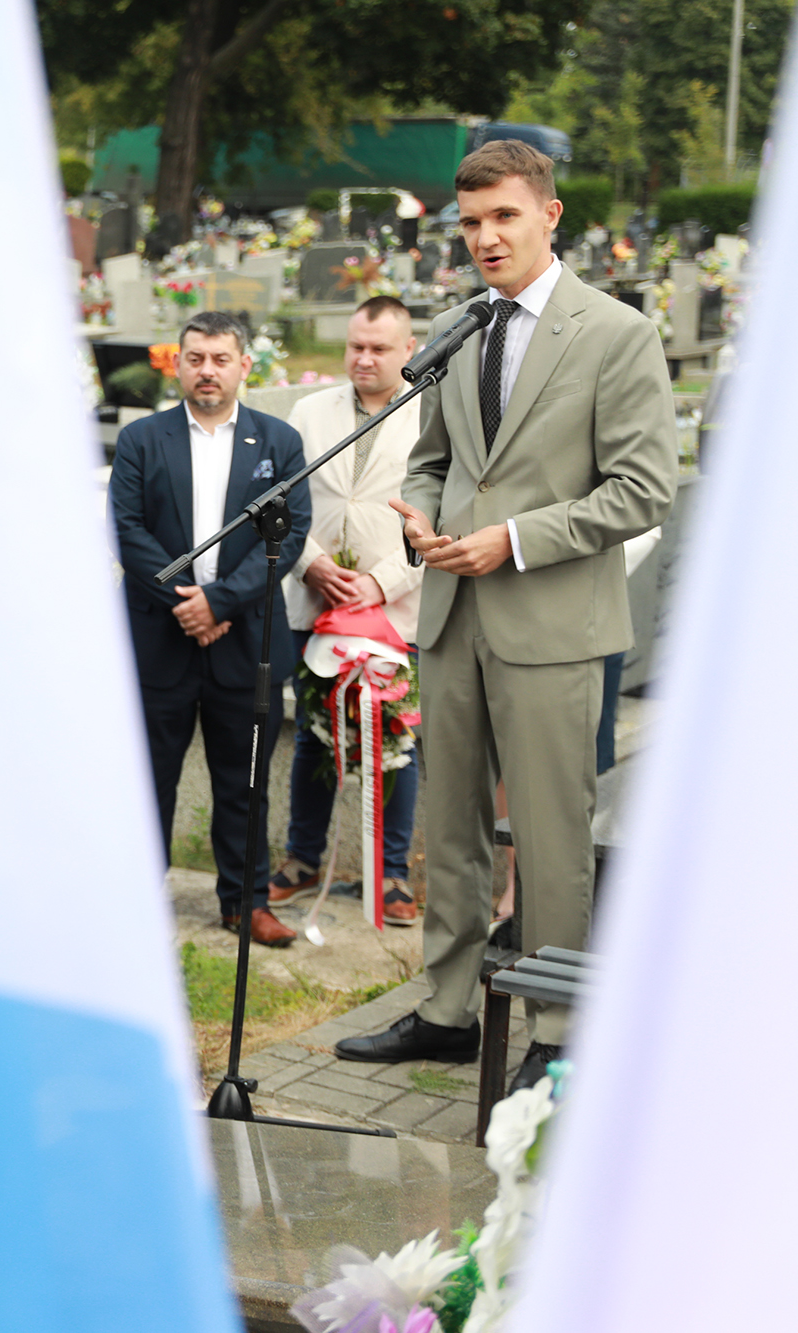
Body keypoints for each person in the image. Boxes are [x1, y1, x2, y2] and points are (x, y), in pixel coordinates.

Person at [332, 141, 677, 1093]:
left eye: (504, 217)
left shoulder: (616, 334)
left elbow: (642, 488)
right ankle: (447, 1011)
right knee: (450, 827)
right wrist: (421, 518)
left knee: (552, 837)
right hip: (451, 615)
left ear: (549, 215)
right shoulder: (460, 330)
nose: (485, 237)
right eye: (472, 222)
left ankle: (557, 1031)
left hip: (553, 625)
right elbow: (433, 462)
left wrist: (514, 539)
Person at [108, 309, 312, 947]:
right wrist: (186, 603)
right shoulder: (143, 439)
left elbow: (289, 534)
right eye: (195, 358)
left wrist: (219, 604)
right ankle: (135, 901)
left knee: (245, 781)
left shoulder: (278, 442)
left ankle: (245, 902)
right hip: (158, 640)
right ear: (178, 365)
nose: (207, 371)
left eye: (221, 359)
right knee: (148, 780)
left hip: (243, 641)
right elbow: (127, 530)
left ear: (244, 365)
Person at [269, 296, 425, 925]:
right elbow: (279, 499)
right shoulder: (311, 412)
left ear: (409, 350)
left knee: (394, 740)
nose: (364, 358)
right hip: (319, 601)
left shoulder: (433, 415)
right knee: (314, 734)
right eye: (356, 346)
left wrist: (382, 583)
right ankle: (302, 858)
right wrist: (310, 563)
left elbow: (445, 512)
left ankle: (390, 873)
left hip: (394, 607)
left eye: (379, 348)